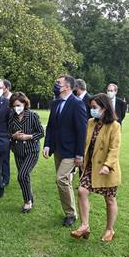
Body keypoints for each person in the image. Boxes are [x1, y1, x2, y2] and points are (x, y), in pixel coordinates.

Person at [70, 93, 121, 242]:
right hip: (90, 166)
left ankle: (110, 229)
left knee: (110, 199)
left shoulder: (115, 126)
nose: (92, 110)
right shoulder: (91, 122)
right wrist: (79, 157)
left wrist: (107, 165)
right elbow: (85, 143)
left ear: (104, 108)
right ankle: (84, 226)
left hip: (107, 169)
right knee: (81, 190)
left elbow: (114, 149)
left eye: (94, 107)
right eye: (91, 107)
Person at [43, 74, 87, 227]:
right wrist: (47, 145)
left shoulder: (77, 104)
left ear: (67, 86)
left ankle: (71, 214)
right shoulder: (55, 104)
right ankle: (70, 212)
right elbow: (51, 127)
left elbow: (82, 131)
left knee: (61, 179)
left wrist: (79, 154)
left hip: (71, 151)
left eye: (58, 83)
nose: (55, 85)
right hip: (58, 150)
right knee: (65, 181)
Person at [8, 92, 44, 213]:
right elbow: (7, 133)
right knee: (25, 177)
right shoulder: (11, 117)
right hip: (18, 151)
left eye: (18, 105)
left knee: (22, 175)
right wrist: (13, 136)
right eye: (14, 105)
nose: (16, 108)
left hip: (31, 151)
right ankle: (30, 198)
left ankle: (27, 202)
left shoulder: (33, 115)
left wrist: (28, 136)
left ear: (24, 103)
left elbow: (41, 133)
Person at [2, 79, 13, 187]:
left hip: (11, 132)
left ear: (7, 88)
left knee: (5, 157)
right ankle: (3, 177)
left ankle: (5, 178)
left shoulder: (13, 99)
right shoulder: (0, 99)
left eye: (2, 87)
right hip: (1, 132)